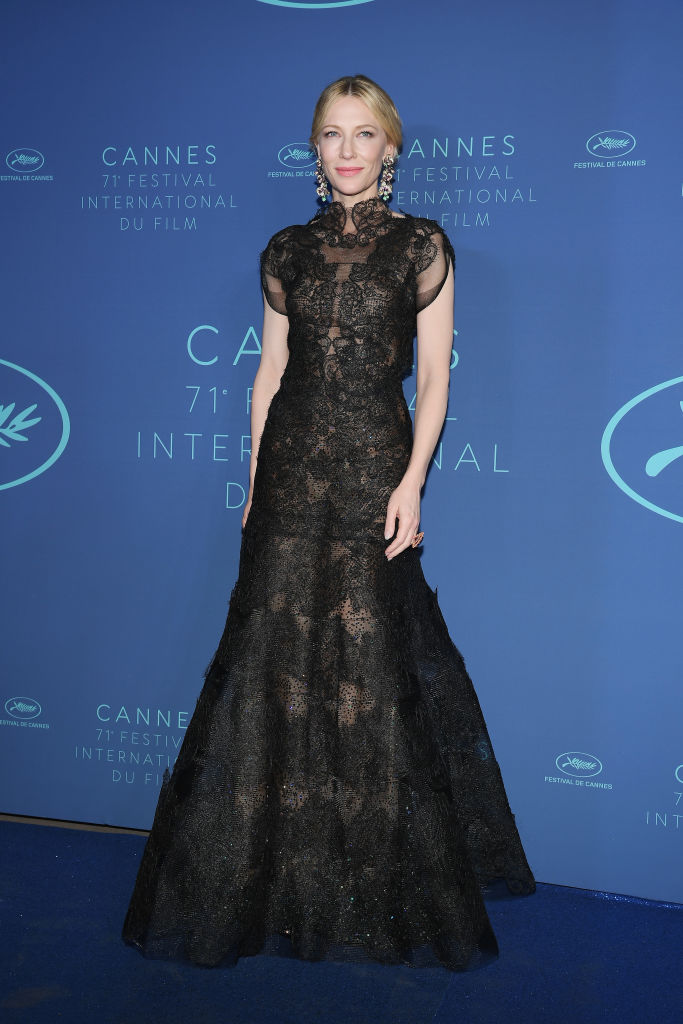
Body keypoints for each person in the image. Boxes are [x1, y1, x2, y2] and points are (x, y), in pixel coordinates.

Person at [121, 74, 536, 972]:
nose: (347, 151)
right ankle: (264, 878)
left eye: (363, 134)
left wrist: (412, 483)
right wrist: (253, 480)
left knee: (372, 661)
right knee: (268, 662)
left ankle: (370, 879)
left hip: (372, 469)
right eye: (331, 135)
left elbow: (434, 377)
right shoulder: (286, 250)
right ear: (314, 150)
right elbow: (268, 375)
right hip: (288, 476)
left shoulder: (421, 246)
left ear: (390, 149)